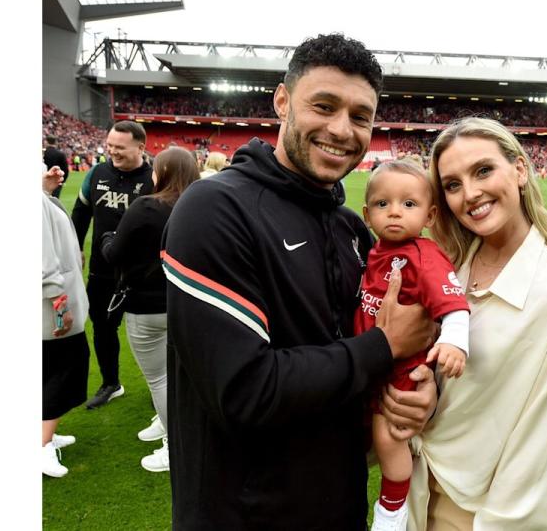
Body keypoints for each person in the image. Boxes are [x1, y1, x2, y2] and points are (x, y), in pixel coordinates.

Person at [161, 33, 438, 530]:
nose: (341, 129)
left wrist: (414, 389)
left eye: (360, 116)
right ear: (283, 101)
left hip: (339, 502)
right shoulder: (215, 209)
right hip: (241, 515)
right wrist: (383, 347)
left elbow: (361, 352)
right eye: (324, 105)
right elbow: (244, 392)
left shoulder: (351, 228)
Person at [408, 117, 547, 529]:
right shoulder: (450, 268)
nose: (470, 194)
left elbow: (537, 462)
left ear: (520, 169)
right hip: (414, 491)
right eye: (453, 185)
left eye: (483, 170)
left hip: (472, 515)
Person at [355, 161, 470, 531]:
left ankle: (391, 511)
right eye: (382, 204)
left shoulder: (424, 255)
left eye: (408, 204)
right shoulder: (376, 250)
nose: (394, 212)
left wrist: (454, 341)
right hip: (370, 361)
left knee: (387, 439)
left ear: (430, 214)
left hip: (402, 368)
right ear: (366, 213)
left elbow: (452, 303)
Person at [100, 146, 200, 472]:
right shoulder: (201, 205)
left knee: (159, 378)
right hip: (187, 304)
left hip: (148, 306)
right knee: (176, 374)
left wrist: (106, 237)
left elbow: (114, 253)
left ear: (164, 171)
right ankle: (166, 421)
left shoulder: (146, 206)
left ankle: (175, 447)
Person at [72, 121, 154, 409]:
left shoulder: (156, 176)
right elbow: (81, 213)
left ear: (140, 147)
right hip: (102, 271)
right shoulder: (97, 172)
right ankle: (111, 383)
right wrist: (76, 248)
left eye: (120, 147)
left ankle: (161, 387)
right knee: (103, 329)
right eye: (110, 146)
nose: (112, 152)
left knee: (154, 331)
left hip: (145, 275)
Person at [42, 164, 90, 478]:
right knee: (64, 371)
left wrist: (44, 189)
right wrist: (60, 308)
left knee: (50, 370)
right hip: (50, 309)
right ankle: (41, 444)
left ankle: (44, 433)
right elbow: (43, 264)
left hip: (48, 305)